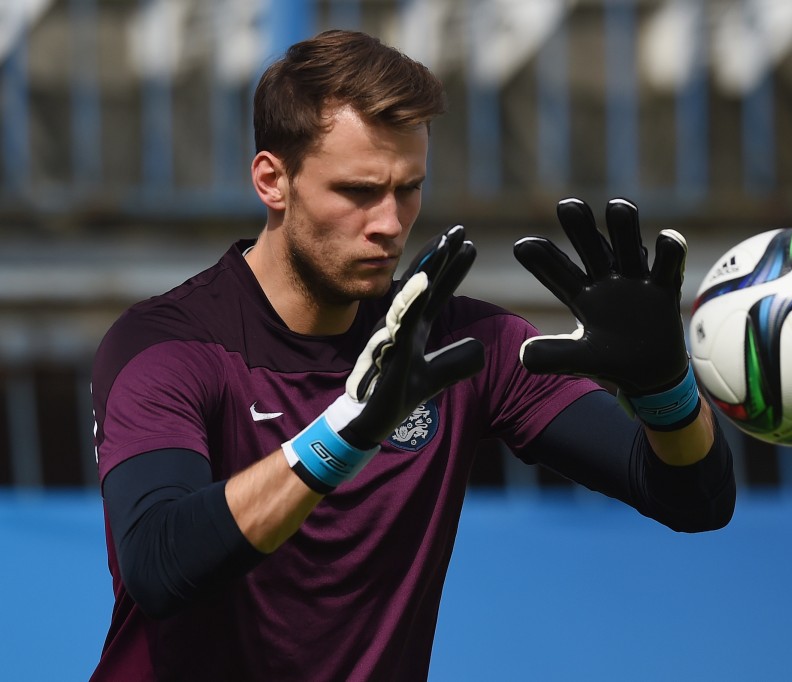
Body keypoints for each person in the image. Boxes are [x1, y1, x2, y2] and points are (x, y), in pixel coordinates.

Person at [90, 29, 735, 681]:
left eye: (408, 189)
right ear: (272, 180)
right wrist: (347, 432)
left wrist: (665, 390)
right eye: (358, 191)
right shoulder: (165, 346)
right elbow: (160, 565)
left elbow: (695, 501)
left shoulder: (463, 345)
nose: (390, 223)